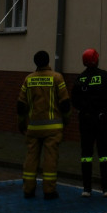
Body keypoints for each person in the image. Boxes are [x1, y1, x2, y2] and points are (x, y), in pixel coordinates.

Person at [17, 50, 71, 200]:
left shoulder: (28, 80)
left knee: (31, 158)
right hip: (53, 129)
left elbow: (21, 106)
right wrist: (66, 120)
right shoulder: (57, 78)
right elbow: (65, 103)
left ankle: (28, 189)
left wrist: (21, 123)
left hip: (33, 128)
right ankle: (49, 191)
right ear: (48, 62)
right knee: (50, 159)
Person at [71, 48, 107, 197]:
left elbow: (75, 101)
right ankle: (106, 188)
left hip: (85, 121)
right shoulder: (104, 76)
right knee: (104, 154)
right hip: (101, 120)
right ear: (96, 59)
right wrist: (104, 110)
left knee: (86, 154)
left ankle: (87, 189)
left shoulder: (80, 79)